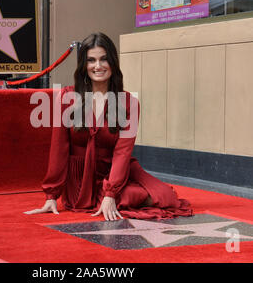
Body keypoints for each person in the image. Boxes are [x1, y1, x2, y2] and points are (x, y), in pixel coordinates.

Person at [25, 32, 193, 221]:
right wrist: (52, 195)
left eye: (104, 59)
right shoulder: (66, 97)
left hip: (115, 172)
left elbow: (123, 152)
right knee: (131, 198)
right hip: (80, 181)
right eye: (91, 60)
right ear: (83, 66)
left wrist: (111, 193)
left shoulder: (129, 103)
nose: (98, 66)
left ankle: (115, 193)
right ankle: (114, 197)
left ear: (113, 62)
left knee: (166, 198)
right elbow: (59, 149)